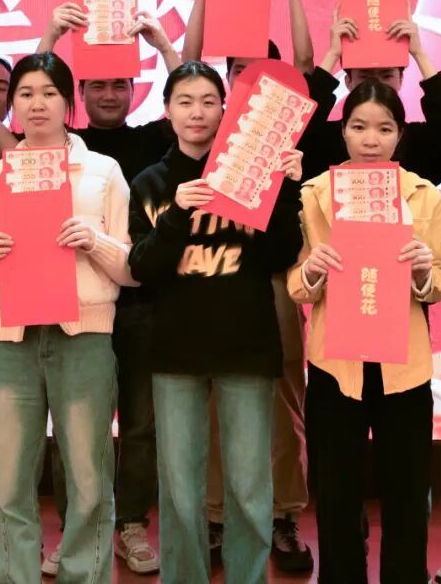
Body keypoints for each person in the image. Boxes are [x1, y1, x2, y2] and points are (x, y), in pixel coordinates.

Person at [0, 52, 136, 584]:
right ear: (13, 103)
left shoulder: (102, 171)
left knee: (87, 474)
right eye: (26, 94)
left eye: (49, 93)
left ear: (68, 102)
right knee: (11, 480)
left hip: (84, 336)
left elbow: (131, 270)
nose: (37, 104)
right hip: (10, 341)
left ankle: (84, 574)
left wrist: (94, 240)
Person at [128, 61, 304, 583]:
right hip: (175, 351)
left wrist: (284, 186)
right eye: (184, 101)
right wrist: (177, 213)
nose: (197, 112)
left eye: (208, 101)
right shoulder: (151, 182)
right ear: (166, 110)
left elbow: (281, 254)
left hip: (246, 346)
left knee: (249, 486)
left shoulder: (253, 173)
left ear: (226, 109)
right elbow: (142, 269)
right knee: (180, 488)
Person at [185, 0, 327, 573]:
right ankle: (217, 519)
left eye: (260, 73)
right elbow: (188, 64)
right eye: (236, 73)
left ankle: (283, 517)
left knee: (283, 398)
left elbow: (306, 59)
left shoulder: (289, 129)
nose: (248, 82)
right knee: (217, 400)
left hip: (272, 282)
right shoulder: (208, 125)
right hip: (213, 279)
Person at [35, 5, 183, 575]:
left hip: (143, 306)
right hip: (75, 303)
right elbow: (33, 96)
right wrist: (51, 35)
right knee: (75, 427)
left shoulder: (152, 141)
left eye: (119, 83)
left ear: (133, 89)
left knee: (141, 424)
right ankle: (76, 531)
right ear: (78, 94)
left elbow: (188, 102)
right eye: (95, 84)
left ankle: (130, 526)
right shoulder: (61, 148)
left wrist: (163, 45)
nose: (108, 94)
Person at [288, 79, 441, 582]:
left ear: (400, 134)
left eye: (384, 129)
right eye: (359, 127)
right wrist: (313, 267)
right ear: (343, 132)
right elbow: (297, 286)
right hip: (336, 365)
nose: (371, 140)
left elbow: (439, 283)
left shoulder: (424, 196)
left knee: (407, 493)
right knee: (337, 494)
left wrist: (422, 269)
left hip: (405, 365)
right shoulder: (314, 194)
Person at [304, 16, 441, 187]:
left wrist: (419, 54)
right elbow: (295, 129)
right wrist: (332, 54)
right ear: (347, 81)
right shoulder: (324, 143)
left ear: (401, 79)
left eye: (386, 76)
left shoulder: (417, 147)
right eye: (365, 76)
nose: (375, 84)